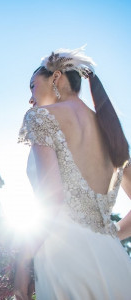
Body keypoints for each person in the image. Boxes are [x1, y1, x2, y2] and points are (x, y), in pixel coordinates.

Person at [15, 46, 131, 300]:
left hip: (66, 261)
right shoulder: (111, 131)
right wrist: (111, 234)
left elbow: (52, 197)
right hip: (116, 263)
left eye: (32, 87)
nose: (31, 99)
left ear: (55, 78)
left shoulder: (41, 117)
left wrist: (22, 262)